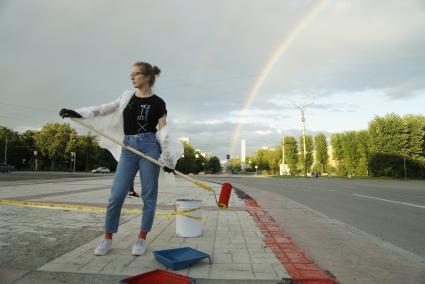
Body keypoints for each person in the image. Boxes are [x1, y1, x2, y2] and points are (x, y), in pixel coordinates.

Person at [59, 61, 177, 256]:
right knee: (116, 195)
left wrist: (168, 158)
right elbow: (104, 109)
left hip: (149, 148)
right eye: (132, 74)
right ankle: (107, 238)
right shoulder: (127, 97)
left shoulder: (158, 102)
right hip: (128, 147)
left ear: (146, 77)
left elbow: (163, 130)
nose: (132, 77)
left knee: (149, 195)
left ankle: (141, 238)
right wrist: (79, 113)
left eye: (136, 74)